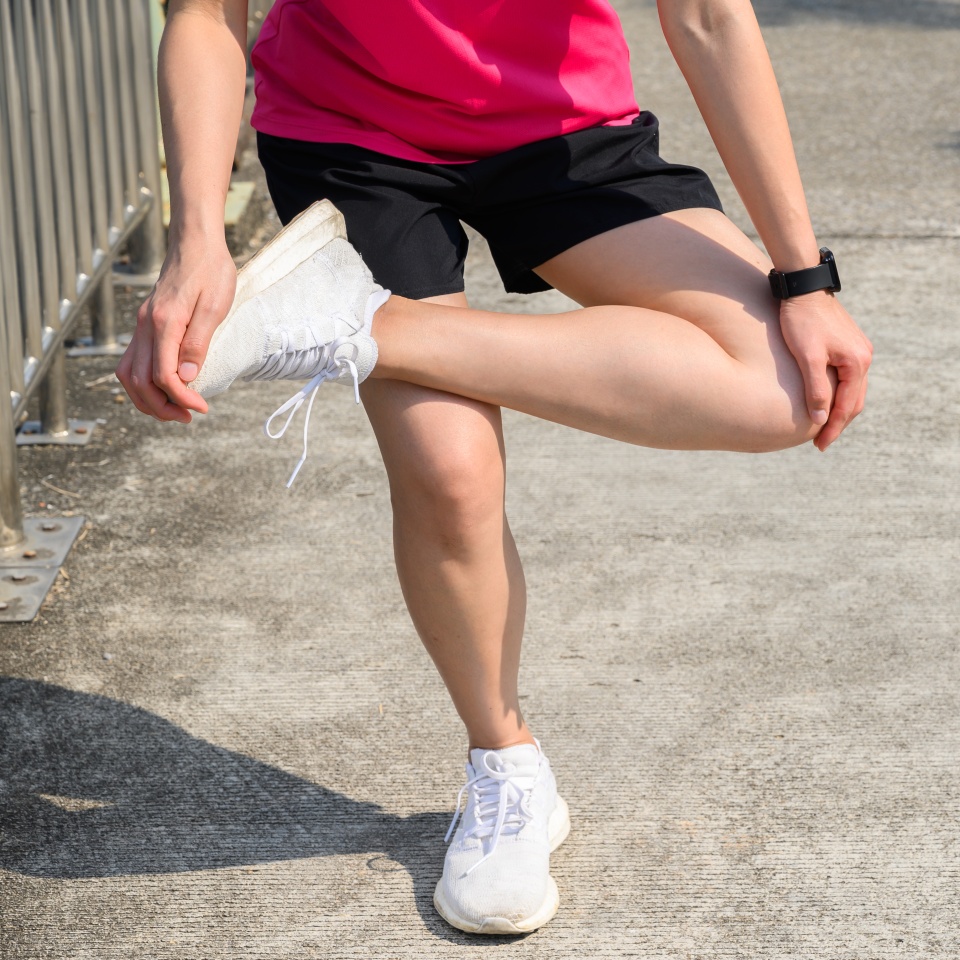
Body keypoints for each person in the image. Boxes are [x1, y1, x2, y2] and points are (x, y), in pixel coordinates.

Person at [117, 0, 873, 936]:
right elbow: (206, 12)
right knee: (452, 472)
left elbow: (711, 18)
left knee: (779, 387)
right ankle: (506, 766)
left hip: (565, 134)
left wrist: (805, 280)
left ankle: (346, 324)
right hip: (354, 137)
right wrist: (196, 241)